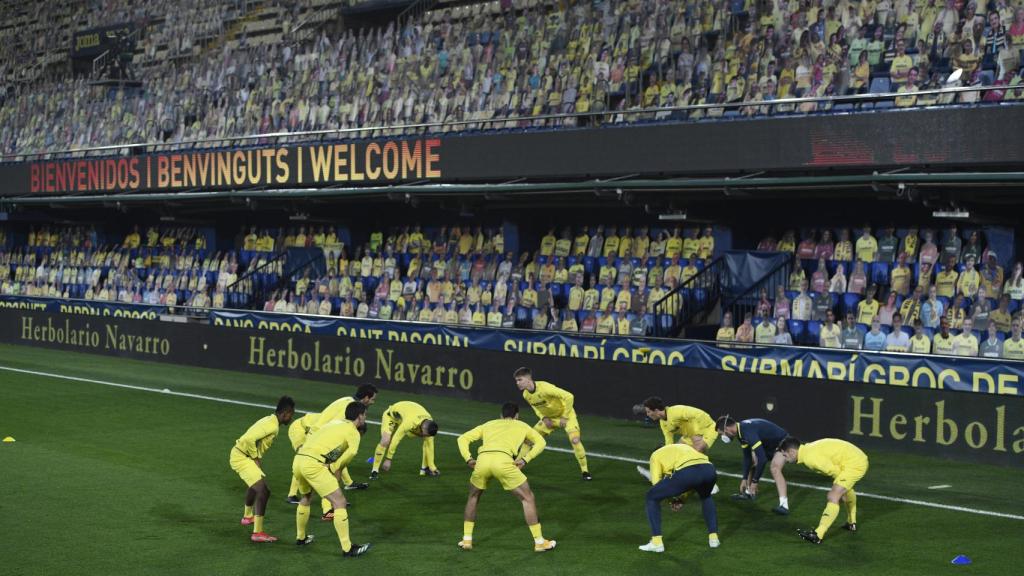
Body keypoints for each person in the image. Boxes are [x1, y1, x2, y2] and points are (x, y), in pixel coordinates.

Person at [456, 402, 556, 552]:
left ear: (501, 415)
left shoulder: (489, 424)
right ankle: (540, 542)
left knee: (473, 497)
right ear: (516, 416)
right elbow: (541, 442)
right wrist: (525, 459)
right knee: (527, 498)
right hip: (503, 461)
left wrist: (468, 459)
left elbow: (462, 439)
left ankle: (467, 540)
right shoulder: (521, 425)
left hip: (482, 461)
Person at [291, 402, 371, 557]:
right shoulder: (353, 431)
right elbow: (351, 453)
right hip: (313, 464)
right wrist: (337, 468)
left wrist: (328, 463)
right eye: (365, 415)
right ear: (360, 416)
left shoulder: (334, 423)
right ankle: (348, 548)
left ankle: (301, 538)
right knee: (339, 502)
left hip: (299, 460)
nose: (365, 418)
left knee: (306, 497)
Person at [777, 437, 869, 544]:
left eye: (785, 455)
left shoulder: (810, 458)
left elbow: (835, 471)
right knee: (843, 490)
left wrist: (838, 489)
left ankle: (818, 535)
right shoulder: (808, 450)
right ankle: (851, 523)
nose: (785, 459)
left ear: (792, 452)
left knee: (833, 496)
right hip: (854, 458)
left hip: (855, 463)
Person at [229, 396, 295, 542]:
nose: (291, 418)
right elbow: (248, 439)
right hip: (242, 457)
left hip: (243, 455)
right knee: (264, 491)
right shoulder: (272, 425)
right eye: (291, 414)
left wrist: (255, 458)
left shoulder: (270, 420)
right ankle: (257, 533)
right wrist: (255, 458)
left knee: (255, 485)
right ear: (285, 413)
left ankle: (247, 517)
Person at [638, 443, 720, 553]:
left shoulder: (655, 455)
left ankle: (656, 542)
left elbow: (656, 484)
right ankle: (714, 538)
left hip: (688, 472)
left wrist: (671, 500)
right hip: (709, 470)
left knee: (651, 496)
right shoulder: (682, 447)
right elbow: (694, 484)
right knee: (705, 496)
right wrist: (682, 499)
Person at [513, 367, 591, 480]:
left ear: (528, 379)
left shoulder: (545, 388)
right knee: (528, 440)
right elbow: (536, 408)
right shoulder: (526, 394)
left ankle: (585, 471)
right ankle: (516, 466)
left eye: (520, 380)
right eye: (516, 381)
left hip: (566, 416)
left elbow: (569, 396)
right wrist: (543, 417)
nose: (517, 383)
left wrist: (564, 416)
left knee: (575, 440)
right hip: (549, 419)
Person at [716, 416, 791, 514]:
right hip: (769, 445)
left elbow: (762, 459)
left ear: (727, 429)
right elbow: (747, 457)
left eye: (722, 433)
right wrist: (744, 478)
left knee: (775, 468)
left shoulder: (747, 431)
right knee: (752, 460)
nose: (723, 437)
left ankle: (784, 505)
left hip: (784, 443)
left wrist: (755, 482)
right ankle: (748, 493)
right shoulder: (740, 431)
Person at [370, 400, 439, 479]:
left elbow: (430, 446)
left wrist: (432, 467)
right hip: (392, 417)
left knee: (427, 440)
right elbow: (396, 438)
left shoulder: (430, 425)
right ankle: (375, 470)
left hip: (404, 417)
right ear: (423, 428)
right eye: (424, 433)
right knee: (386, 440)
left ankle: (425, 469)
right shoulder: (410, 422)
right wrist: (388, 459)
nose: (424, 436)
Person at [642, 397, 718, 453]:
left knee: (695, 453)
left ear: (656, 410)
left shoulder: (676, 411)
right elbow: (669, 441)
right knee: (676, 453)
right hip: (690, 436)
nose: (647, 414)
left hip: (708, 429)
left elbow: (699, 414)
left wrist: (699, 434)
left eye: (648, 412)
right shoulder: (663, 423)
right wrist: (665, 453)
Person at [286, 411, 320, 505]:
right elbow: (307, 417)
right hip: (298, 429)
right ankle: (292, 495)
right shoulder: (326, 418)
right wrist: (310, 430)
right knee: (302, 458)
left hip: (307, 432)